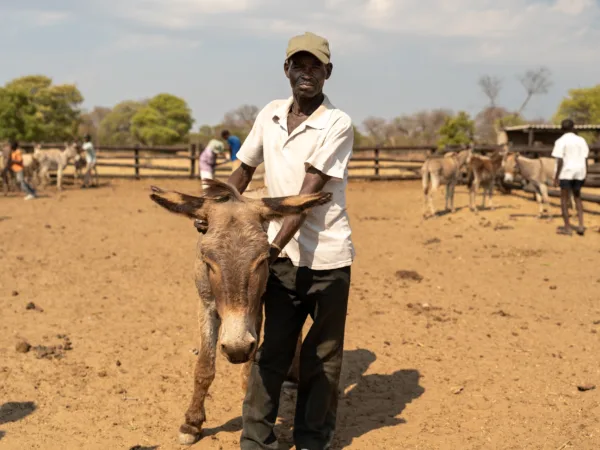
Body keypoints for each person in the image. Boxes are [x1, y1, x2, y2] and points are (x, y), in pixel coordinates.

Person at [204, 31, 355, 450]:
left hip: (327, 260)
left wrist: (267, 250)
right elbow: (242, 172)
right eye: (298, 64)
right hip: (278, 262)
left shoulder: (337, 123)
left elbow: (304, 198)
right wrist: (216, 212)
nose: (307, 73)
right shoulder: (269, 114)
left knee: (322, 358)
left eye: (315, 66)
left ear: (328, 72)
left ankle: (311, 439)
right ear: (286, 69)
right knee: (272, 353)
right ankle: (255, 441)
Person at [552, 118, 589, 236]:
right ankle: (581, 225)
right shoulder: (581, 140)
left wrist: (556, 176)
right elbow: (585, 157)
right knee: (577, 197)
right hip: (580, 171)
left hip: (566, 172)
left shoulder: (560, 141)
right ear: (573, 127)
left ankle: (567, 227)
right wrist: (585, 172)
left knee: (564, 199)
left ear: (562, 129)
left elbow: (560, 161)